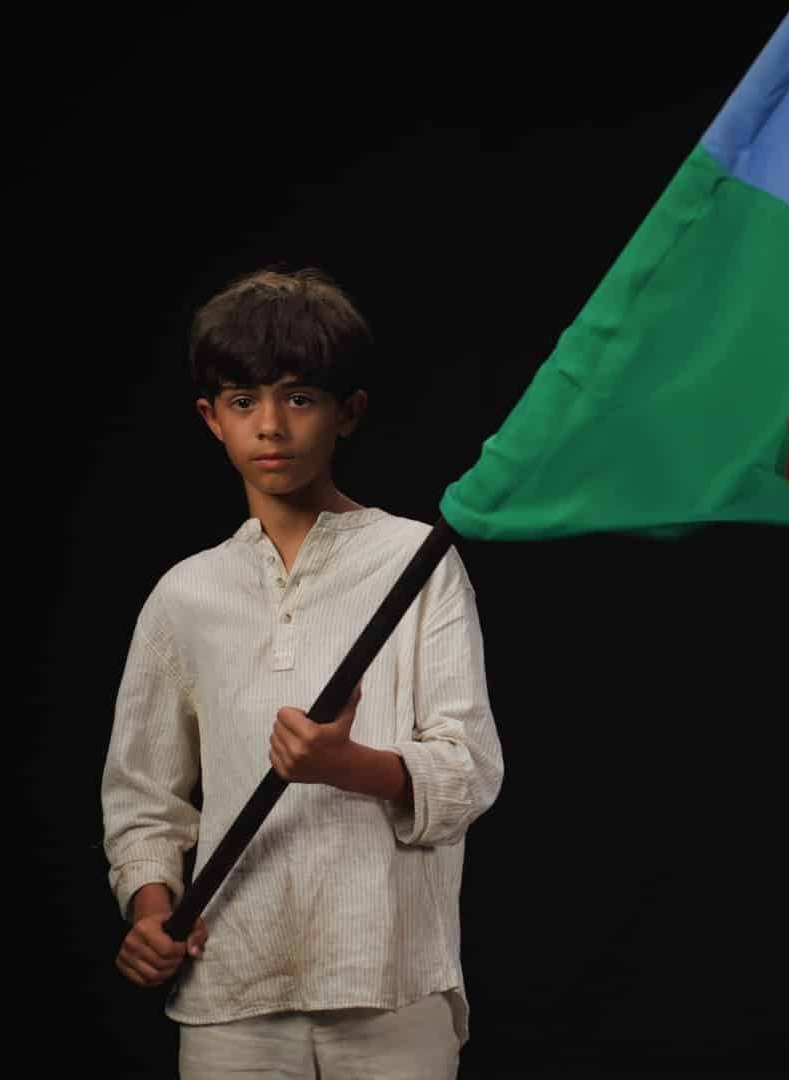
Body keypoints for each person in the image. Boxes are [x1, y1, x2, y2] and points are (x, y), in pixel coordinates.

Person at [100, 266, 505, 1079]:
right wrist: (150, 910)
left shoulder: (416, 561)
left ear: (348, 412)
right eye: (243, 401)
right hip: (231, 989)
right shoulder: (185, 594)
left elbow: (470, 772)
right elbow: (143, 801)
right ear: (211, 419)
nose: (271, 425)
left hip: (391, 984)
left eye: (300, 397)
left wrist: (347, 766)